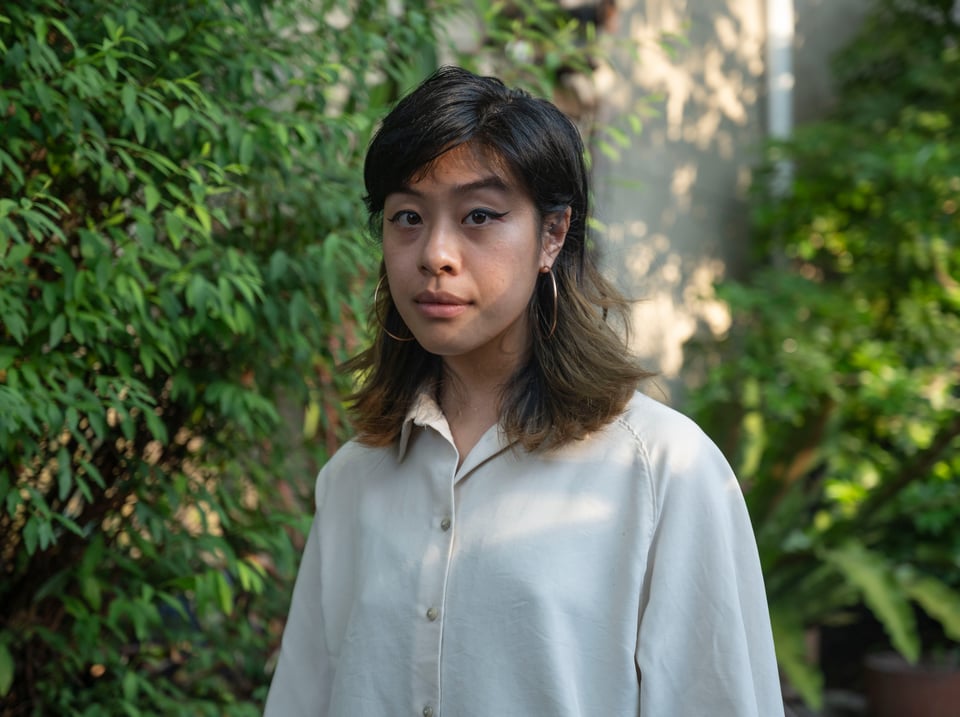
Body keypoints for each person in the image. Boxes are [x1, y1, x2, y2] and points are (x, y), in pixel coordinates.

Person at [263, 65, 784, 717]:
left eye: (479, 214)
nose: (436, 254)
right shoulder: (353, 479)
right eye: (407, 217)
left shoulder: (664, 472)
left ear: (552, 234)